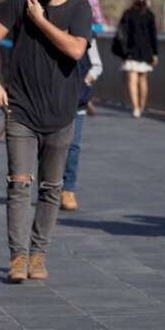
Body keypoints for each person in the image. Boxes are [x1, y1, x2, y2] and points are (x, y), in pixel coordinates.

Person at [0, 0, 92, 283]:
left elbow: (75, 49)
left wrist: (41, 21)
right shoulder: (18, 0)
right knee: (18, 185)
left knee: (51, 188)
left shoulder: (78, 7)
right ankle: (17, 258)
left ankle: (38, 255)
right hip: (21, 110)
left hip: (62, 111)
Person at [60, 37, 103, 211]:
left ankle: (68, 190)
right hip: (50, 100)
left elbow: (97, 65)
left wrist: (85, 82)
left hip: (77, 99)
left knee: (73, 145)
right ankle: (49, 186)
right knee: (50, 145)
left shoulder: (88, 33)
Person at [117, 0, 159, 118]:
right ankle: (141, 106)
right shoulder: (150, 15)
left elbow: (121, 33)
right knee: (143, 80)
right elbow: (153, 36)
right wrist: (155, 53)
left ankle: (135, 109)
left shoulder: (127, 14)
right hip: (146, 52)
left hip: (131, 51)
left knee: (132, 80)